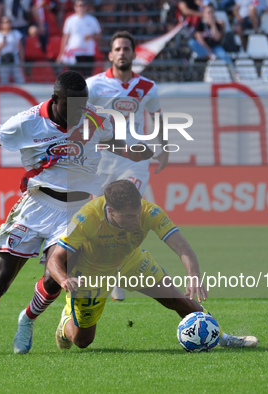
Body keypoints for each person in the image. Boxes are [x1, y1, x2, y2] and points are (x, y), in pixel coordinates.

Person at [0, 70, 153, 356]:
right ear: (56, 99)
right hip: (37, 205)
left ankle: (28, 319)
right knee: (0, 279)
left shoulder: (96, 119)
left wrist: (138, 151)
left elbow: (115, 145)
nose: (80, 113)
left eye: (83, 106)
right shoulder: (27, 122)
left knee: (57, 274)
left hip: (77, 210)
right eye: (73, 107)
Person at [48, 180, 258, 350]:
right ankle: (65, 322)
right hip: (93, 273)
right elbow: (54, 259)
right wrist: (65, 280)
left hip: (130, 261)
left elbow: (182, 247)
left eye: (138, 213)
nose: (137, 220)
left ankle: (223, 338)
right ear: (111, 211)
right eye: (129, 217)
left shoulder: (150, 212)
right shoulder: (87, 218)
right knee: (82, 341)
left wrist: (193, 274)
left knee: (179, 300)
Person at [86, 31, 168, 300]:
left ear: (134, 54)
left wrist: (163, 148)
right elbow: (81, 119)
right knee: (101, 220)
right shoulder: (94, 86)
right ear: (110, 55)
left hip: (135, 162)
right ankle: (107, 270)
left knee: (129, 212)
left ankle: (121, 270)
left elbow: (157, 117)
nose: (122, 52)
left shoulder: (147, 86)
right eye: (117, 49)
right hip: (101, 160)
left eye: (126, 49)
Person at [58, 0, 101, 78]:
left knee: (87, 77)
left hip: (88, 53)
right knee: (73, 77)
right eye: (79, 5)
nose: (81, 7)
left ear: (86, 7)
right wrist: (61, 54)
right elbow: (65, 38)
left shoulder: (92, 20)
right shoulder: (70, 20)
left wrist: (91, 36)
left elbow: (99, 36)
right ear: (75, 7)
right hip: (74, 54)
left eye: (83, 5)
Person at [0, 16, 25, 84]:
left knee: (19, 79)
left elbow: (20, 48)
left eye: (9, 22)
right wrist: (2, 44)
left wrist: (22, 60)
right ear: (1, 24)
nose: (7, 24)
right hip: (3, 57)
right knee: (4, 79)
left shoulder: (16, 33)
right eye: (5, 22)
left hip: (14, 57)